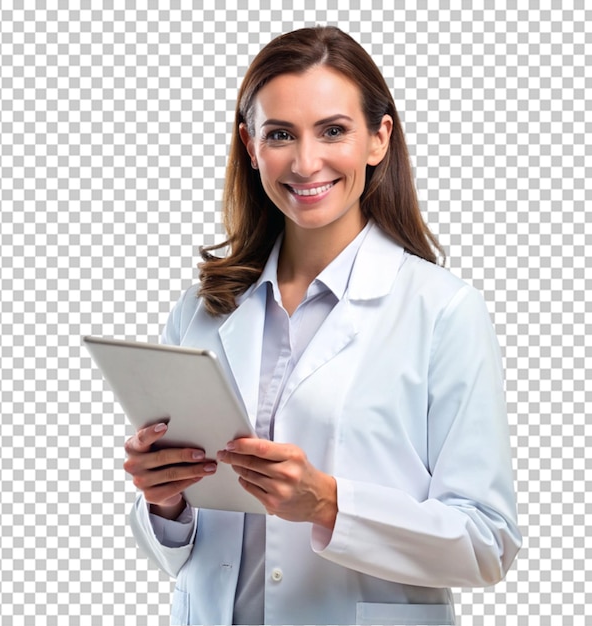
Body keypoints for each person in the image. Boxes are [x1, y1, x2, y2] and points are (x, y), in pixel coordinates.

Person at [123, 26, 521, 626]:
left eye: (333, 130)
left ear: (378, 139)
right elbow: (187, 552)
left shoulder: (441, 310)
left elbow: (486, 543)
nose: (306, 161)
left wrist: (331, 505)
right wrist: (165, 502)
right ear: (251, 146)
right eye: (280, 134)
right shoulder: (202, 309)